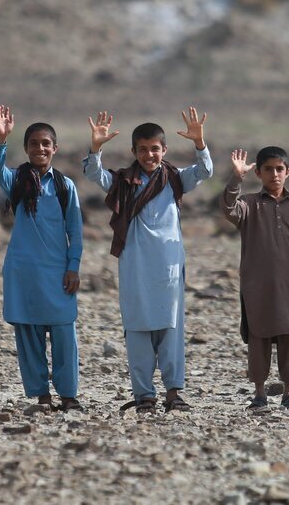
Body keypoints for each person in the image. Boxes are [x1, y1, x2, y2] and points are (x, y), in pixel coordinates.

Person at [82, 108, 213, 413]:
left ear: (164, 150)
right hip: (134, 265)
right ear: (133, 152)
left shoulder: (176, 178)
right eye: (143, 150)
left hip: (168, 265)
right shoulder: (124, 181)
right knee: (137, 327)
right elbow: (93, 174)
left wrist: (200, 143)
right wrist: (96, 148)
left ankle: (173, 392)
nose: (149, 155)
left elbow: (205, 171)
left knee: (171, 326)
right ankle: (144, 395)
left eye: (155, 149)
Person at [0, 105, 84, 411]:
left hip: (57, 274)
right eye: (33, 143)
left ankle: (69, 396)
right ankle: (41, 396)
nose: (40, 148)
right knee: (28, 336)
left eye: (45, 143)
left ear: (55, 148)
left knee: (64, 336)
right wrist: (1, 139)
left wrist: (74, 267)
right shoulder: (17, 180)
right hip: (23, 271)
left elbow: (75, 231)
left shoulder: (64, 186)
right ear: (26, 148)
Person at [221, 147, 289, 409]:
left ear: (288, 172)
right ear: (259, 173)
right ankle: (260, 393)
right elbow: (228, 208)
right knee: (258, 338)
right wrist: (236, 179)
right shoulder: (250, 204)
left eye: (279, 169)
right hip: (257, 286)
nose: (274, 174)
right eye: (268, 169)